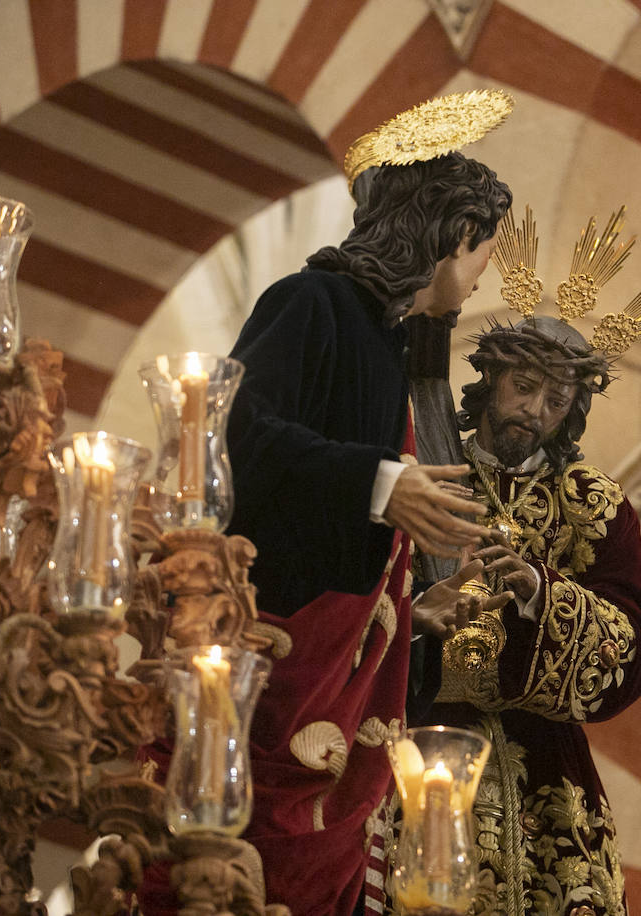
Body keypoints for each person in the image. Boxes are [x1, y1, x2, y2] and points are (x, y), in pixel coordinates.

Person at [139, 90, 515, 916]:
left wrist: (411, 609)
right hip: (276, 670)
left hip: (343, 693)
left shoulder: (389, 345)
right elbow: (233, 433)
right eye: (486, 248)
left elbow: (328, 530)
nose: (486, 270)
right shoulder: (311, 305)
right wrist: (383, 481)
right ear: (453, 237)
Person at [424, 207, 641, 915]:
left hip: (548, 784)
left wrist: (543, 596)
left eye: (556, 398)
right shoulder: (427, 468)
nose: (535, 411)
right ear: (491, 382)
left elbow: (639, 643)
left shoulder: (593, 506)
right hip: (420, 743)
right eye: (524, 389)